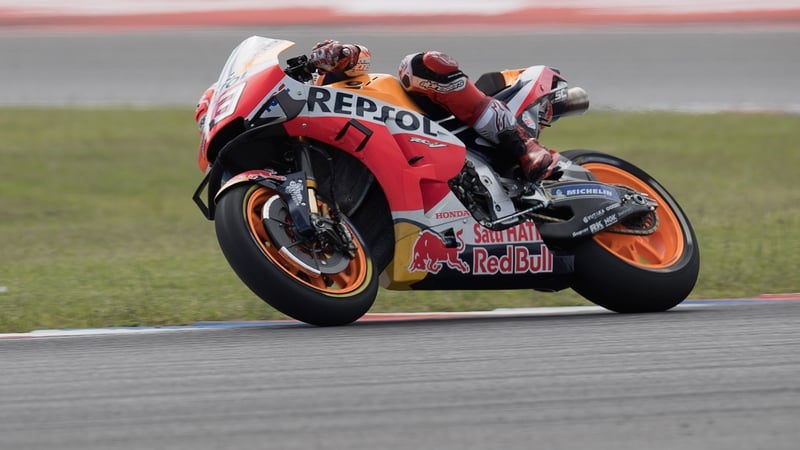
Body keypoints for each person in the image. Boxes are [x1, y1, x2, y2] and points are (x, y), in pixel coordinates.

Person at [308, 40, 559, 183]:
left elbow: (360, 57)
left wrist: (341, 54)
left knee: (420, 64)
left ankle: (525, 147)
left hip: (419, 119)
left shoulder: (311, 84)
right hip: (380, 169)